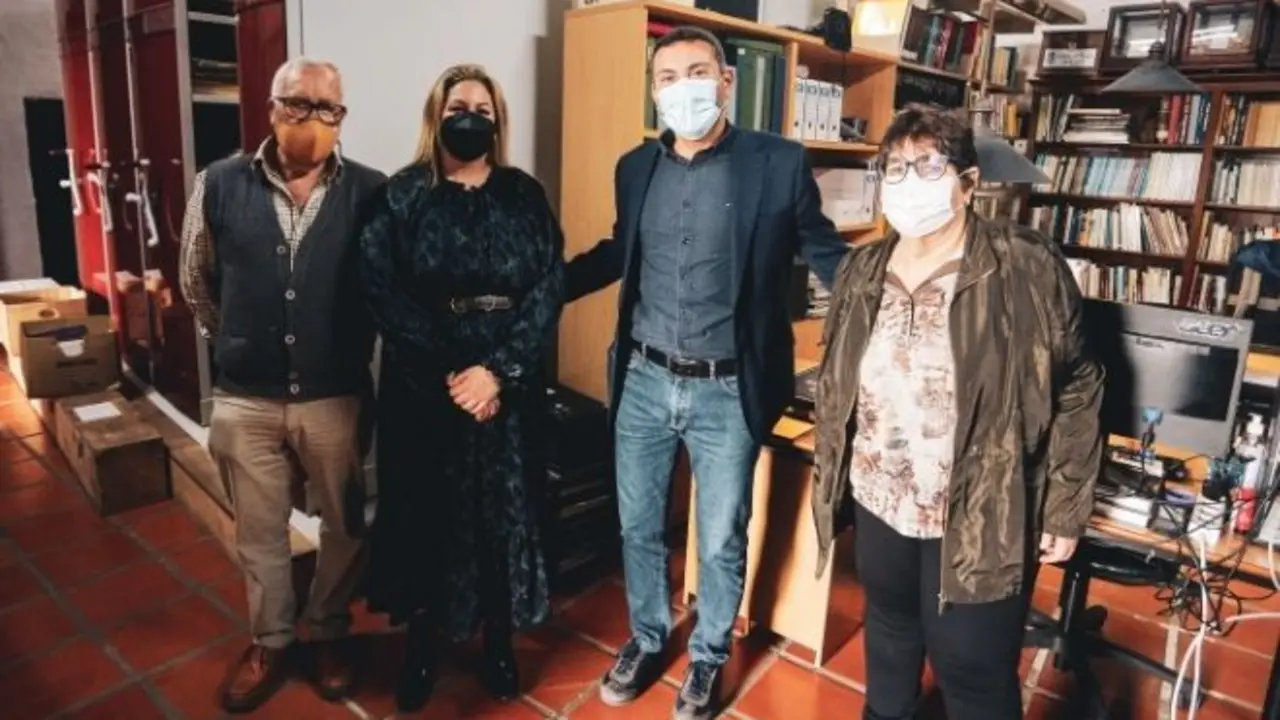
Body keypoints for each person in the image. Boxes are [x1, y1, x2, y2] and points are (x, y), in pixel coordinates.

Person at [564, 25, 849, 720]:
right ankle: (647, 636)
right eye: (667, 77)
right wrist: (544, 287)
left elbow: (826, 253)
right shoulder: (635, 167)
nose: (682, 87)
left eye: (697, 72)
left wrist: (897, 302)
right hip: (644, 379)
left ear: (726, 82)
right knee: (637, 526)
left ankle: (708, 657)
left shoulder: (777, 163)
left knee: (720, 537)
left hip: (728, 386)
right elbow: (620, 251)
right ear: (654, 90)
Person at [811, 104, 1105, 720]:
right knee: (889, 636)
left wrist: (1066, 504)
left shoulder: (1024, 264)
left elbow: (1078, 384)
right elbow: (840, 382)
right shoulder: (862, 268)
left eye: (928, 165)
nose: (907, 180)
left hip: (982, 507)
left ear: (967, 184)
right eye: (895, 167)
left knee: (971, 665)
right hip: (881, 497)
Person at [177, 57, 386, 712]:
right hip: (246, 398)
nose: (312, 119)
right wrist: (240, 341)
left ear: (341, 118)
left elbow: (384, 288)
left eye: (328, 109)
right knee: (259, 530)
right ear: (271, 107)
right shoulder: (217, 183)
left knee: (344, 523)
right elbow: (195, 280)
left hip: (336, 395)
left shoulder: (372, 192)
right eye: (298, 103)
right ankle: (270, 638)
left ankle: (327, 628)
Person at [359, 63, 565, 713]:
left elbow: (547, 286)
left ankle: (498, 641)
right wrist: (457, 374)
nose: (469, 118)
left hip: (509, 385)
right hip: (426, 385)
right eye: (457, 108)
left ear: (497, 121)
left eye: (482, 109)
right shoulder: (400, 197)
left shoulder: (524, 195)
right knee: (428, 514)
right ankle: (422, 647)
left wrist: (497, 371)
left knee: (503, 516)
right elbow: (380, 290)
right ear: (436, 115)